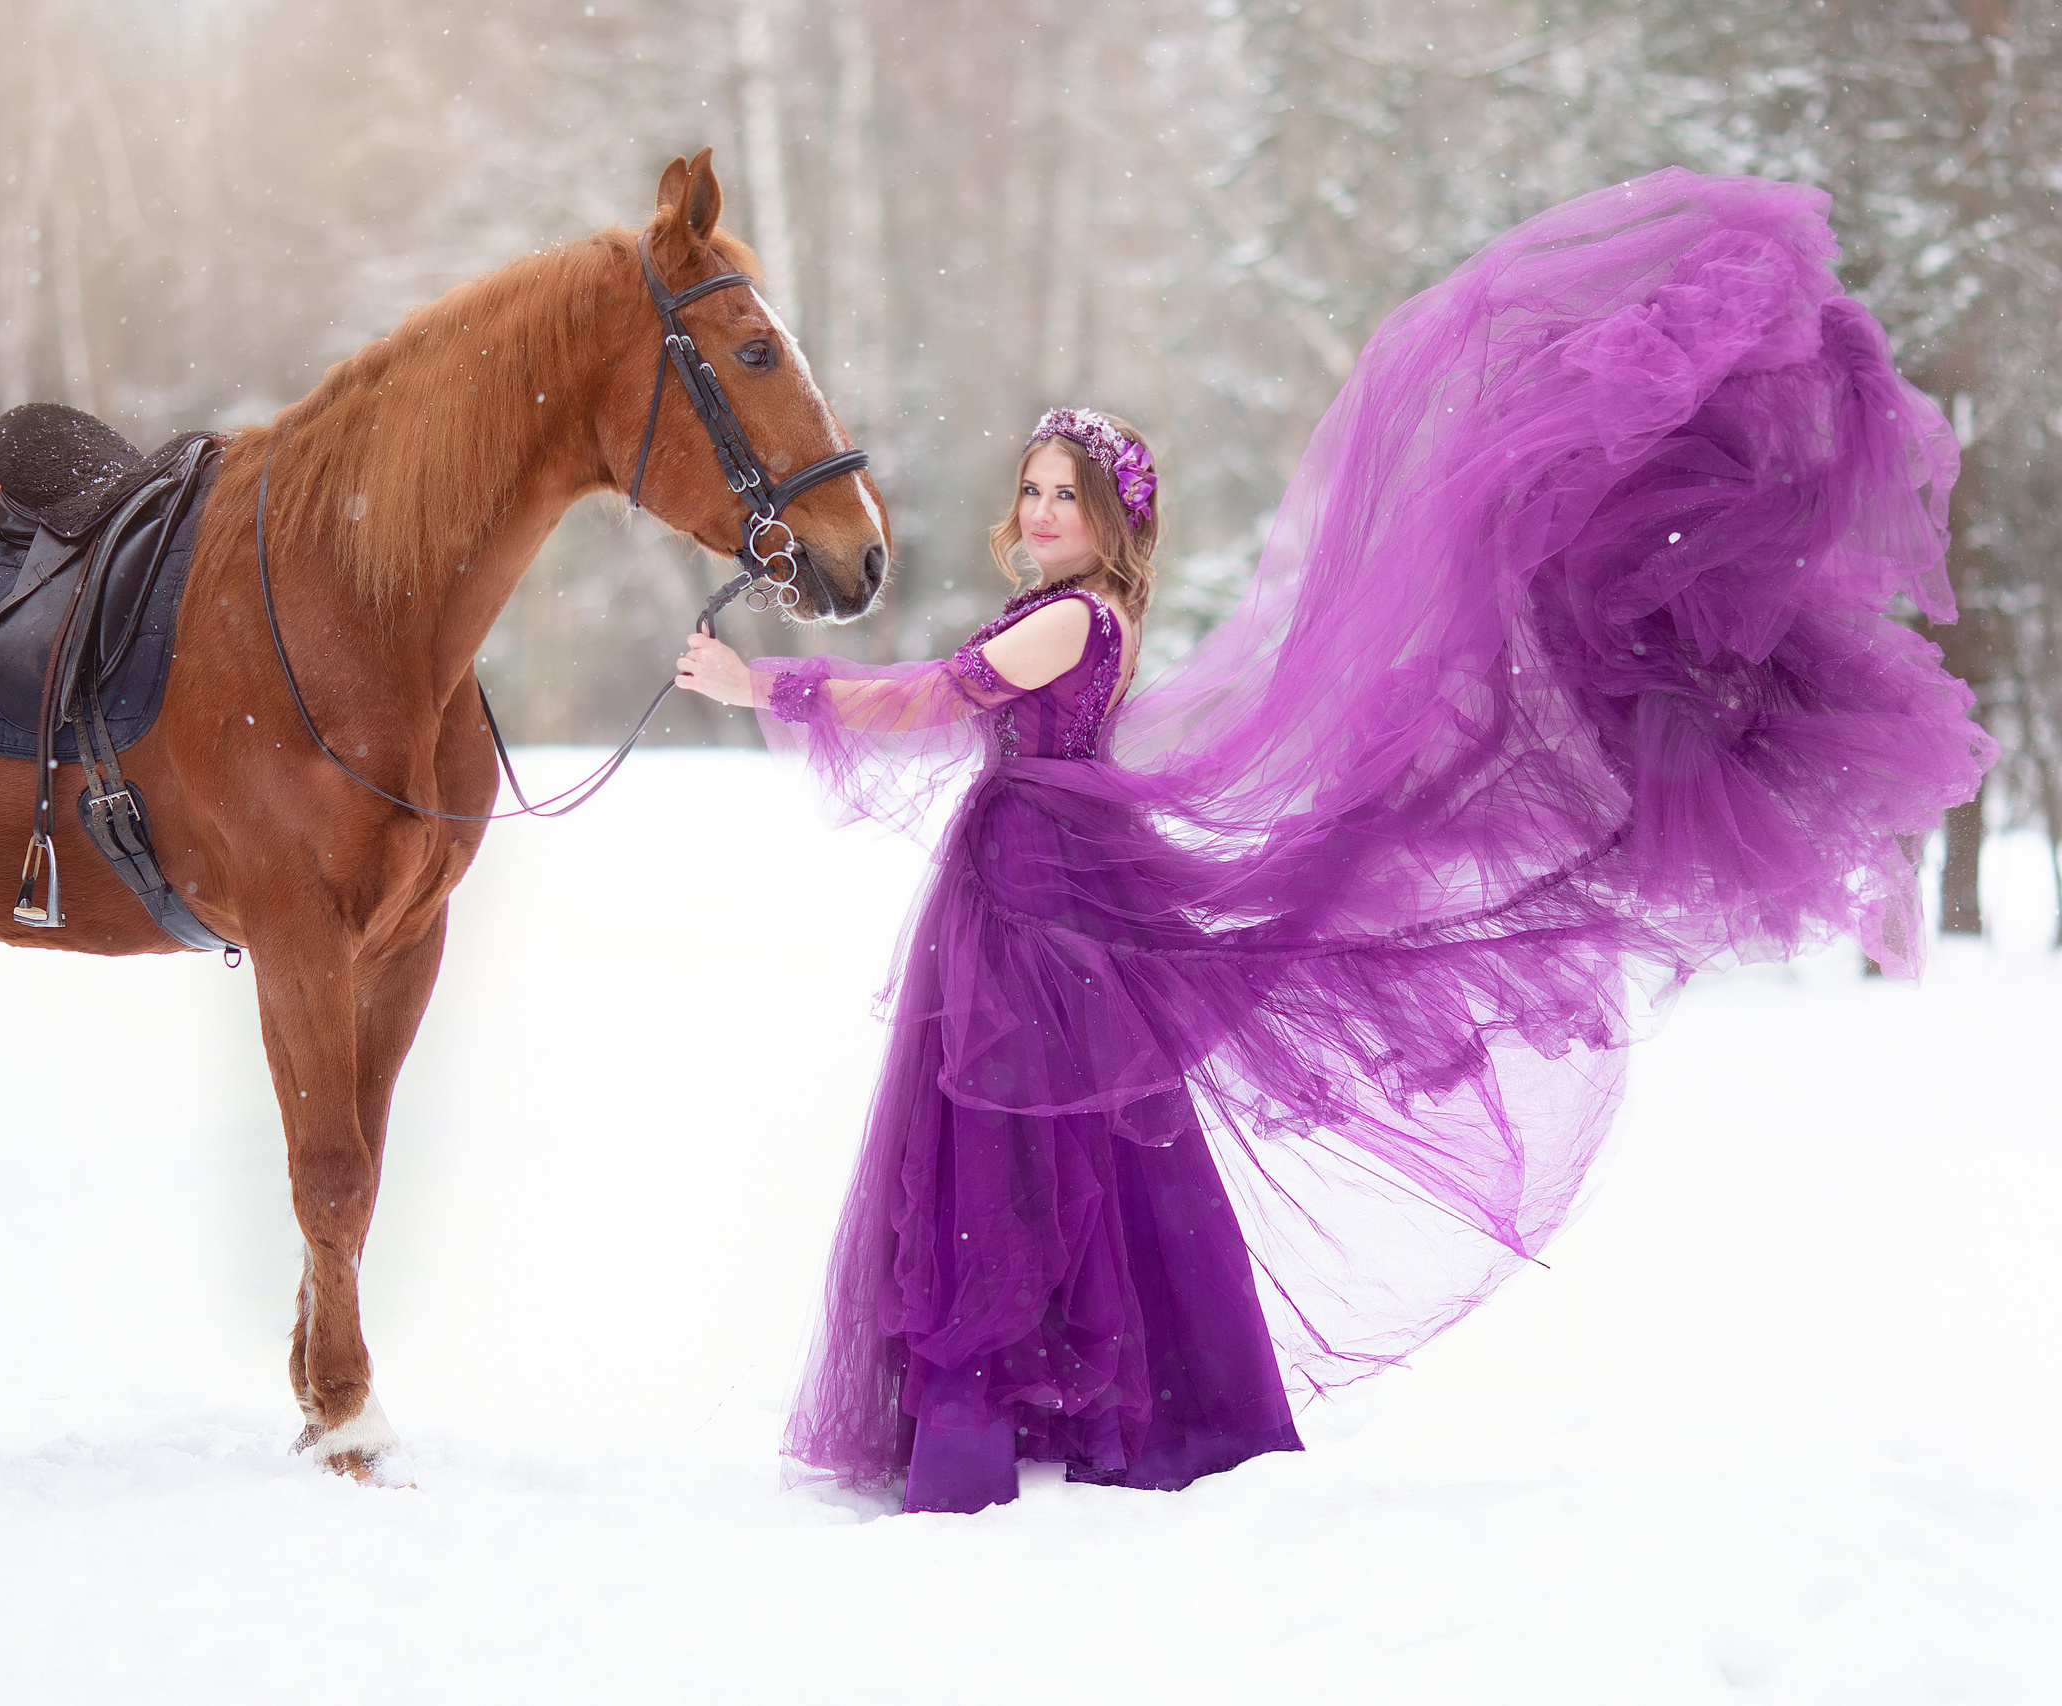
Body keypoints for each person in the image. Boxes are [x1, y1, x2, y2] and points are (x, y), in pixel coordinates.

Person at [674, 167, 1996, 1516]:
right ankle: (1067, 1399)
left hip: (1040, 896)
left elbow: (929, 700)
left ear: (1111, 520)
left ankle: (1009, 1415)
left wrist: (757, 687)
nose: (1041, 511)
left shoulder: (1072, 620)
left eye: (1067, 493)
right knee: (1066, 1140)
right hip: (1030, 882)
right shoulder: (1072, 615)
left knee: (1030, 1145)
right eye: (1031, 490)